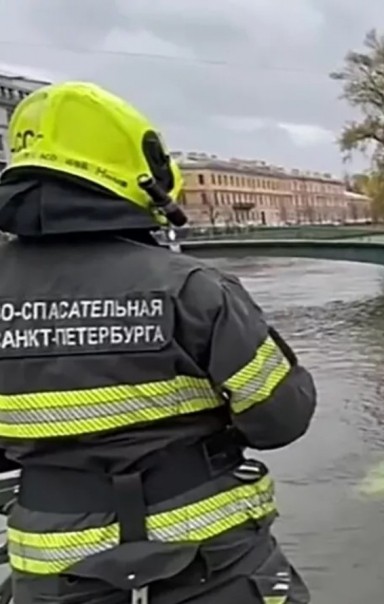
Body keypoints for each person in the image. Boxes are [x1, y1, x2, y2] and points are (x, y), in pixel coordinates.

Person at [0, 82, 316, 603]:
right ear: (140, 170)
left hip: (52, 559)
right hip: (210, 557)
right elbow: (282, 419)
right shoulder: (190, 288)